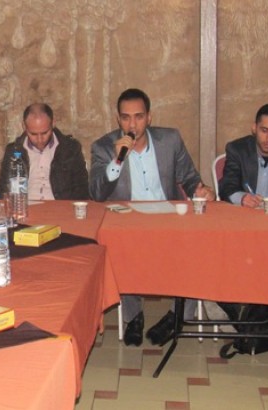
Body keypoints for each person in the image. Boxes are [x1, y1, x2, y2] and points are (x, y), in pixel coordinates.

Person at [89, 88, 216, 347]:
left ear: (149, 117)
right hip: (128, 223)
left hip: (168, 218)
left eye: (138, 117)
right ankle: (134, 317)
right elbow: (96, 194)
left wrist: (200, 190)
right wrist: (116, 162)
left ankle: (177, 315)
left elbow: (189, 177)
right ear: (118, 119)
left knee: (195, 246)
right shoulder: (103, 147)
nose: (132, 125)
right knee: (117, 247)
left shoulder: (169, 140)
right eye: (126, 118)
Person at [0, 103, 89, 200]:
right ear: (24, 127)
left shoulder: (70, 148)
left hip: (60, 207)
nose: (40, 139)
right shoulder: (13, 151)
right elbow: (4, 190)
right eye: (33, 134)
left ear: (53, 123)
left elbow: (81, 189)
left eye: (45, 133)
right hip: (24, 206)